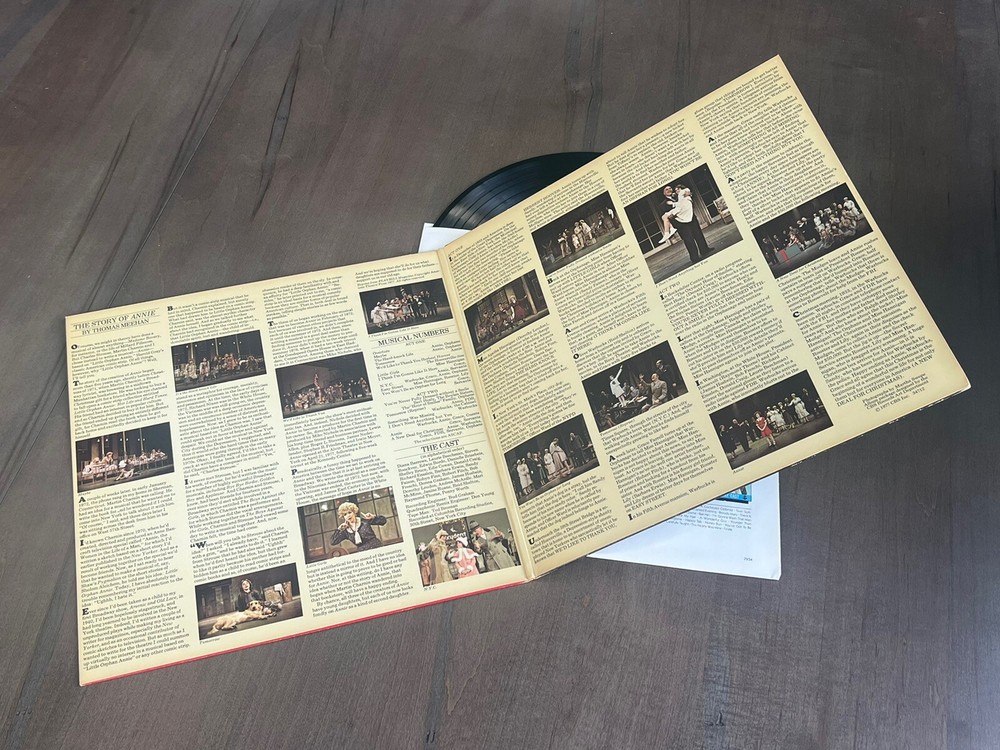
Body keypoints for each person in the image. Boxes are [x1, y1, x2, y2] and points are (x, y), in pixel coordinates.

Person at [664, 184, 712, 263]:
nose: (669, 190)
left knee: (698, 234)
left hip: (691, 218)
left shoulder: (679, 194)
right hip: (681, 224)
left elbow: (689, 196)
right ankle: (694, 257)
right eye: (666, 189)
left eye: (670, 188)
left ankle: (704, 249)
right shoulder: (665, 203)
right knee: (689, 240)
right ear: (664, 193)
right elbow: (667, 215)